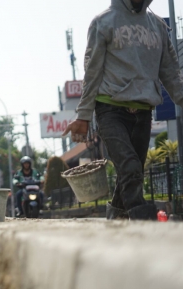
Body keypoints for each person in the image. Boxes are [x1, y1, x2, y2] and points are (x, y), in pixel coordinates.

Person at [63, 0, 183, 220]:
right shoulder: (103, 22)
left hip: (144, 111)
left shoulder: (158, 26)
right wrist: (83, 115)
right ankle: (144, 222)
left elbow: (171, 73)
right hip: (110, 109)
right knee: (129, 167)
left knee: (131, 173)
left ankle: (115, 219)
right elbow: (92, 72)